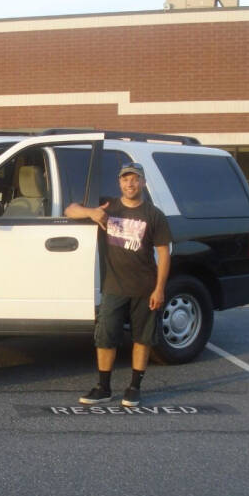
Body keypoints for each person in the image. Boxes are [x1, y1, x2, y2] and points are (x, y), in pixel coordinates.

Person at [64, 162, 172, 407]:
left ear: (143, 183)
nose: (130, 184)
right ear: (119, 182)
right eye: (125, 179)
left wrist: (159, 288)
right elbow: (70, 209)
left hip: (145, 287)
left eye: (135, 179)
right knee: (105, 337)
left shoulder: (154, 215)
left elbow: (164, 254)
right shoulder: (108, 206)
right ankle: (103, 387)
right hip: (113, 286)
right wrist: (92, 213)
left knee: (142, 339)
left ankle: (134, 387)